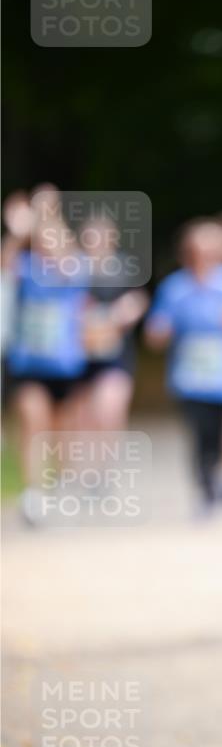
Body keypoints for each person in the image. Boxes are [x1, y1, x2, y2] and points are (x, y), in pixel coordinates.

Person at [144, 219, 222, 516]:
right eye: (197, 251)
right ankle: (206, 487)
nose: (203, 256)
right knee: (201, 435)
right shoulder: (174, 287)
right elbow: (157, 328)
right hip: (190, 376)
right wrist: (159, 330)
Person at [4, 186, 89, 521]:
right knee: (33, 423)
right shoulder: (25, 269)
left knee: (60, 431)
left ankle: (61, 482)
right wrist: (19, 231)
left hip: (65, 366)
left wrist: (47, 212)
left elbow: (68, 258)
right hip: (28, 365)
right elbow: (5, 263)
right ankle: (33, 492)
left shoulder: (73, 270)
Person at [78, 215, 148, 431]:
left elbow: (139, 300)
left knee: (109, 412)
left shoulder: (125, 269)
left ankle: (107, 454)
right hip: (78, 358)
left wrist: (122, 313)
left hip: (115, 356)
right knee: (81, 422)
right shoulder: (73, 268)